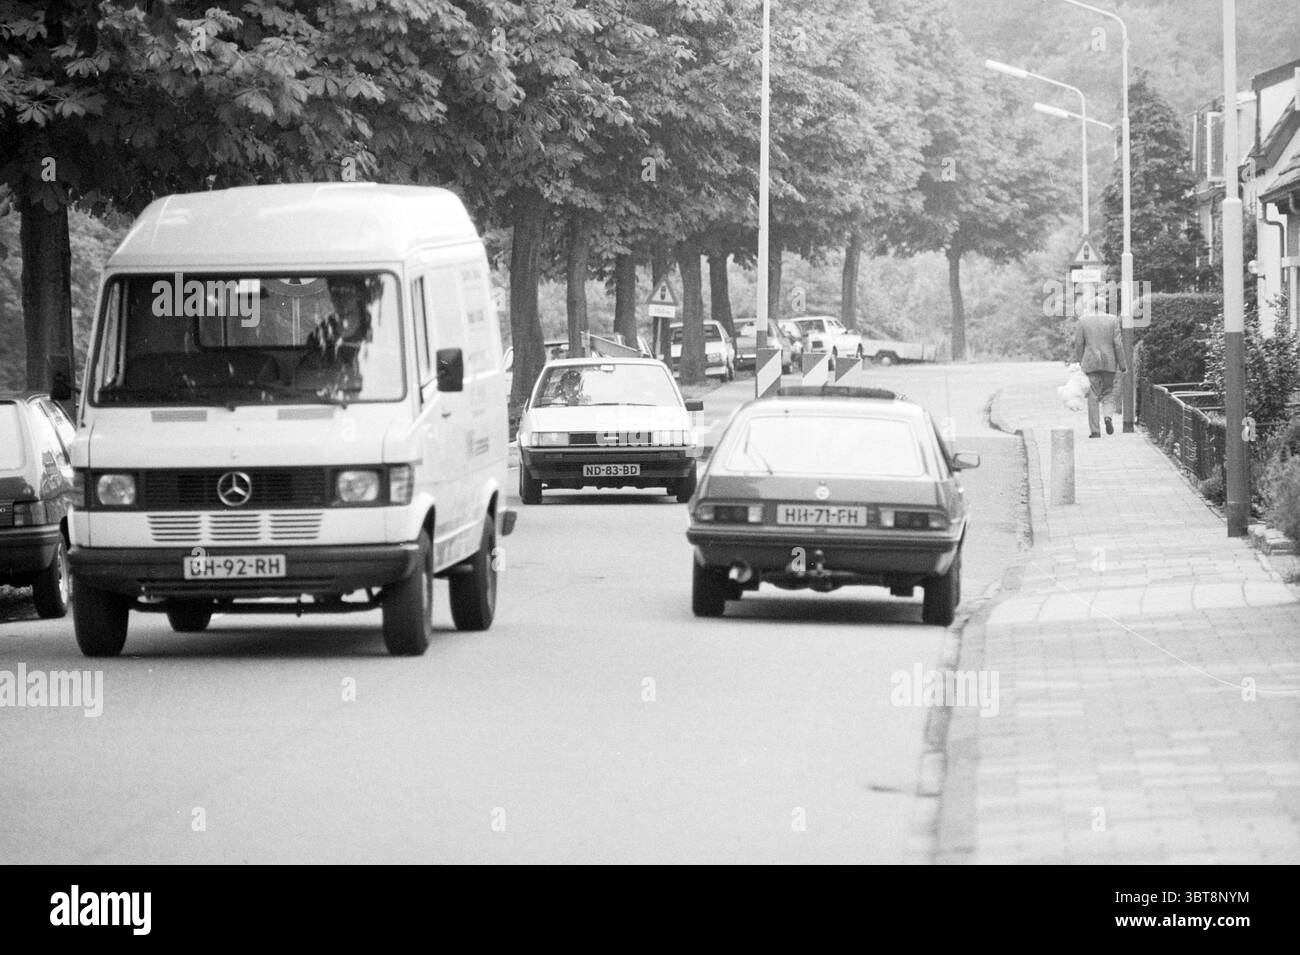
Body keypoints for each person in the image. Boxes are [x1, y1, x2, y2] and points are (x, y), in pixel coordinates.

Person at [1072, 295, 1127, 438]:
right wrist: (1122, 364)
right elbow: (1118, 344)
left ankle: (1095, 431)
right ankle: (1108, 416)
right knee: (1108, 393)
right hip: (1109, 363)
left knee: (1093, 396)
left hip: (1090, 364)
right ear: (1104, 307)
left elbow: (1078, 344)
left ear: (1091, 307)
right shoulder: (1113, 320)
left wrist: (1079, 361)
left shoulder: (1083, 320)